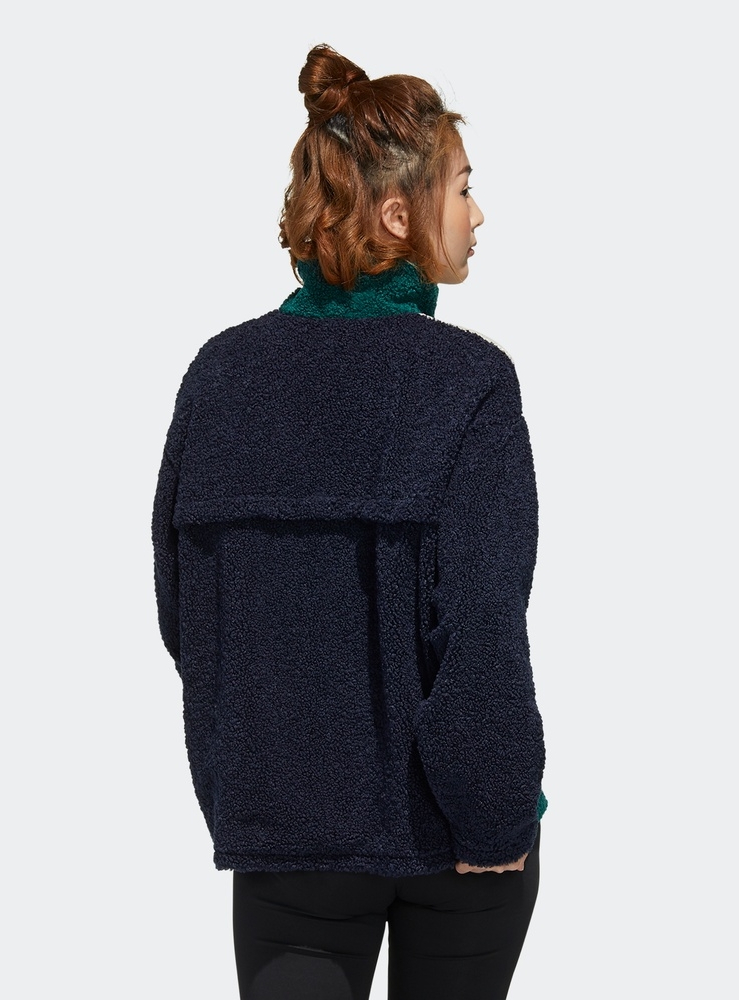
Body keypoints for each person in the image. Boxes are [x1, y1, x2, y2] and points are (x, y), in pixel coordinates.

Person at [152, 43, 547, 1000]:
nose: (479, 214)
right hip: (451, 840)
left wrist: (260, 770)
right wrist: (496, 815)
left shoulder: (219, 377)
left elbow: (185, 612)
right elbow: (482, 630)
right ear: (399, 213)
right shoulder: (468, 383)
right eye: (463, 188)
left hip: (284, 830)